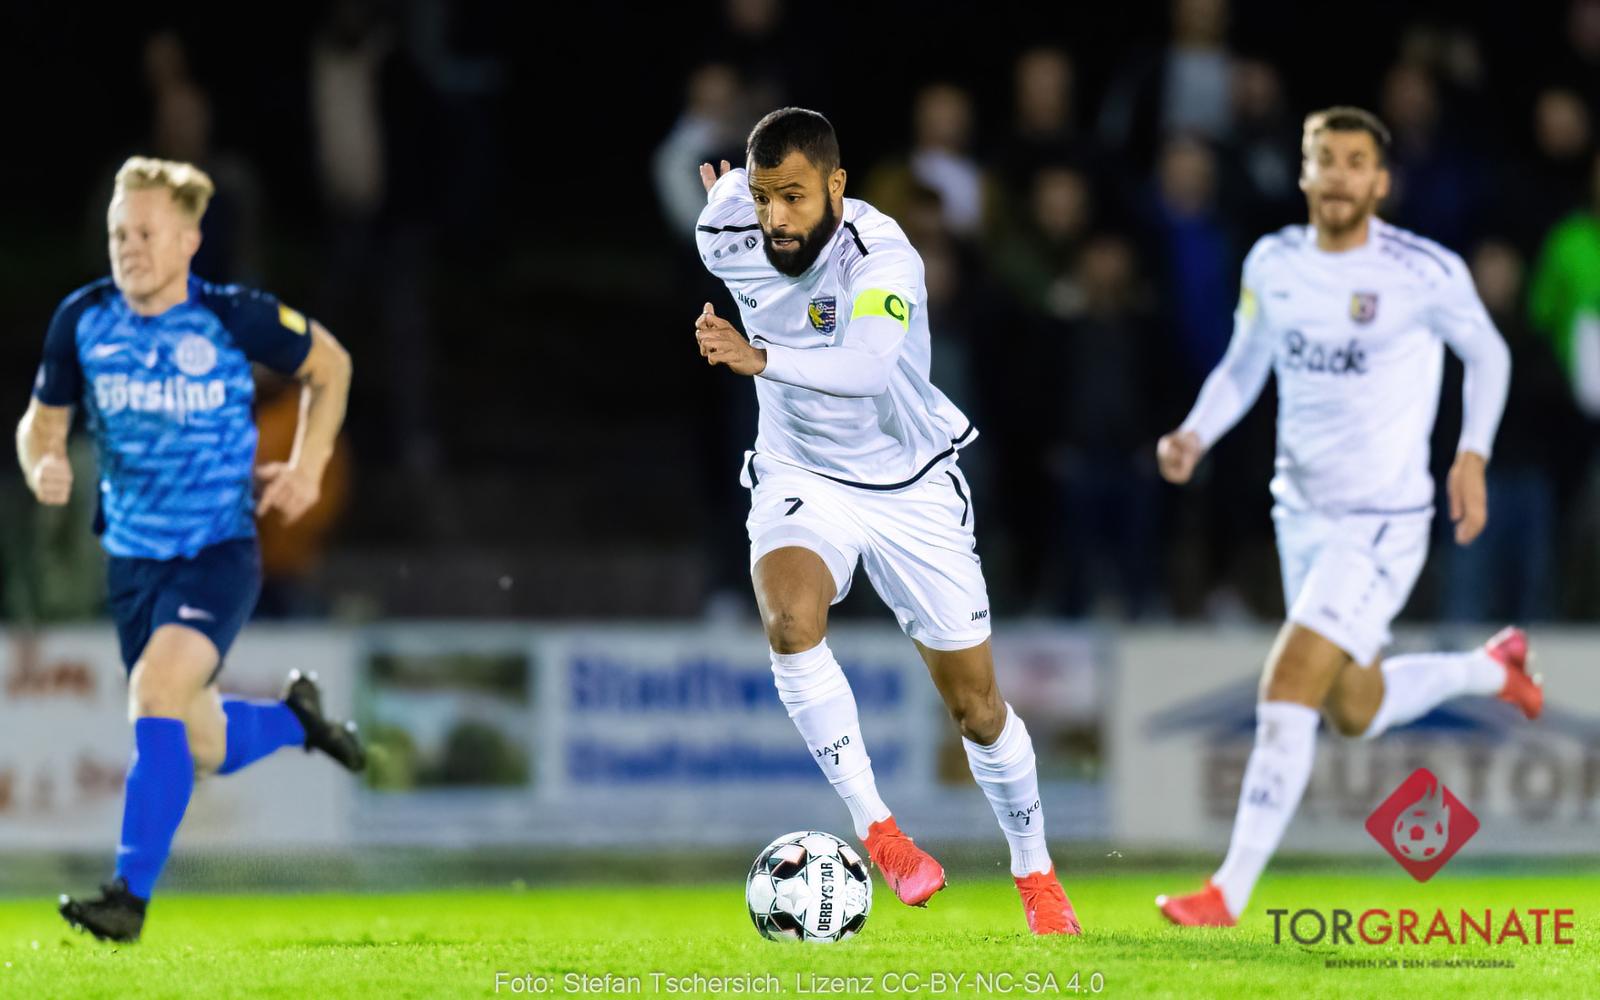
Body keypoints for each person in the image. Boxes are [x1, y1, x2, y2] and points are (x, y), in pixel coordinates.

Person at [692, 108, 1079, 934]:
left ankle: (1036, 872)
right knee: (789, 622)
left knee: (978, 709)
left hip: (909, 482)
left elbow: (869, 367)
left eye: (794, 197)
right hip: (801, 472)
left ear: (836, 186)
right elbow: (730, 210)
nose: (774, 218)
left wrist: (760, 358)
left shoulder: (884, 254)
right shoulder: (724, 232)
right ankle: (881, 833)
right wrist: (732, 200)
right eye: (762, 197)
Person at [1152, 108, 1540, 927]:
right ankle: (1493, 669)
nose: (1337, 175)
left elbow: (1489, 354)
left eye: (1355, 162)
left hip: (1382, 521)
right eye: (1323, 159)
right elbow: (1243, 365)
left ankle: (1227, 892)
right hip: (1300, 515)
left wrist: (1471, 454)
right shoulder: (1274, 262)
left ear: (1380, 181)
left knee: (1290, 679)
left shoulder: (1422, 271)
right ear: (1304, 174)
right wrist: (1195, 433)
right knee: (1354, 709)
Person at [16, 157, 364, 943]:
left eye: (146, 234)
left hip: (217, 553)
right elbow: (41, 422)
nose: (129, 249)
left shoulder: (233, 317)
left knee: (154, 692)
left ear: (188, 241)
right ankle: (298, 724)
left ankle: (127, 898)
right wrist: (42, 461)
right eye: (119, 234)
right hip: (131, 563)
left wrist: (308, 466)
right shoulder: (83, 319)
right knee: (201, 740)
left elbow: (331, 365)